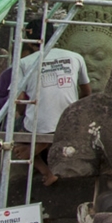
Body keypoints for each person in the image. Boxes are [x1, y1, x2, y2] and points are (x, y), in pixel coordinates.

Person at [14, 19, 91, 185]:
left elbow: (18, 99)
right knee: (53, 126)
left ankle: (46, 171)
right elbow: (87, 91)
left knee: (19, 137)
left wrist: (20, 114)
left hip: (38, 123)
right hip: (69, 122)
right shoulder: (75, 57)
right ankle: (43, 149)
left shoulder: (24, 63)